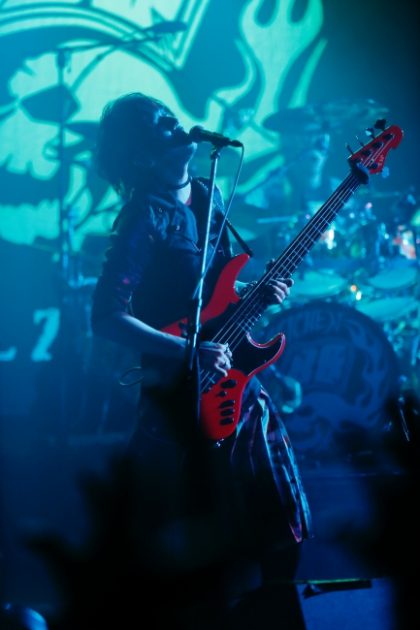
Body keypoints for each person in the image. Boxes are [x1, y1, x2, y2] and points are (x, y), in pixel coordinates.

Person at [89, 92, 312, 627]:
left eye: (172, 116)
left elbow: (216, 297)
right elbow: (106, 317)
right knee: (188, 539)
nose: (176, 126)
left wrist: (258, 293)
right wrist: (188, 350)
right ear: (141, 153)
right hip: (178, 394)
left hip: (233, 378)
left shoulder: (208, 193)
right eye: (160, 125)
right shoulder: (145, 216)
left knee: (281, 519)